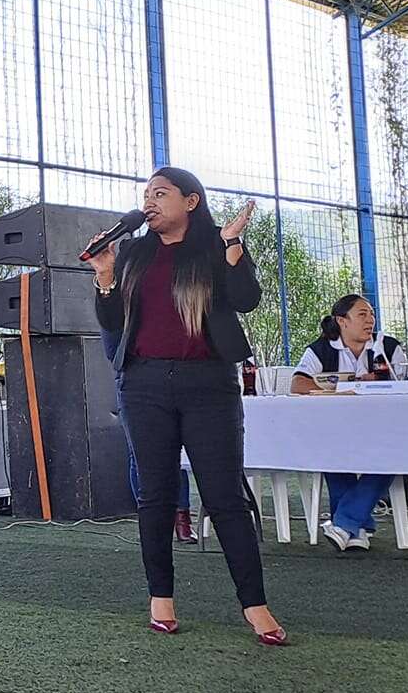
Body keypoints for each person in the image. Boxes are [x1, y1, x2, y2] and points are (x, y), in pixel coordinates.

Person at [90, 167, 286, 646]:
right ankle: (161, 598)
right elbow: (112, 321)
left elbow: (245, 298)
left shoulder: (215, 245)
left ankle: (255, 604)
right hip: (144, 384)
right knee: (155, 496)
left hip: (208, 385)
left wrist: (232, 244)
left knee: (225, 497)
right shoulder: (134, 252)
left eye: (161, 193)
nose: (149, 202)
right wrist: (106, 276)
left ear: (191, 201)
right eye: (146, 195)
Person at [291, 294, 408, 552]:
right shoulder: (321, 349)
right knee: (331, 452)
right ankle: (355, 527)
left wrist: (379, 383)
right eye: (362, 314)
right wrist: (346, 388)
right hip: (337, 428)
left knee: (392, 454)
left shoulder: (387, 347)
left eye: (372, 314)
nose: (370, 320)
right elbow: (298, 383)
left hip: (385, 428)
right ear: (342, 321)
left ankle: (345, 523)